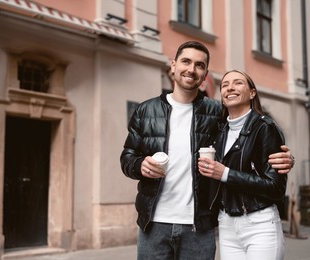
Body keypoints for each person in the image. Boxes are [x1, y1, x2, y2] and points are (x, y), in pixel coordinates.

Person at [120, 41, 293, 260]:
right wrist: (139, 164)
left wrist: (284, 156)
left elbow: (247, 133)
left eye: (199, 65)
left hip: (199, 226)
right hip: (153, 224)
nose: (191, 69)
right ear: (173, 66)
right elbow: (127, 156)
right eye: (186, 61)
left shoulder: (217, 113)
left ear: (205, 75)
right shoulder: (146, 110)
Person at [198, 69, 287, 260]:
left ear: (252, 93)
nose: (230, 87)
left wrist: (225, 173)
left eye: (238, 83)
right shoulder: (219, 132)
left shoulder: (265, 128)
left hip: (259, 223)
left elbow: (276, 187)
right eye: (224, 84)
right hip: (227, 224)